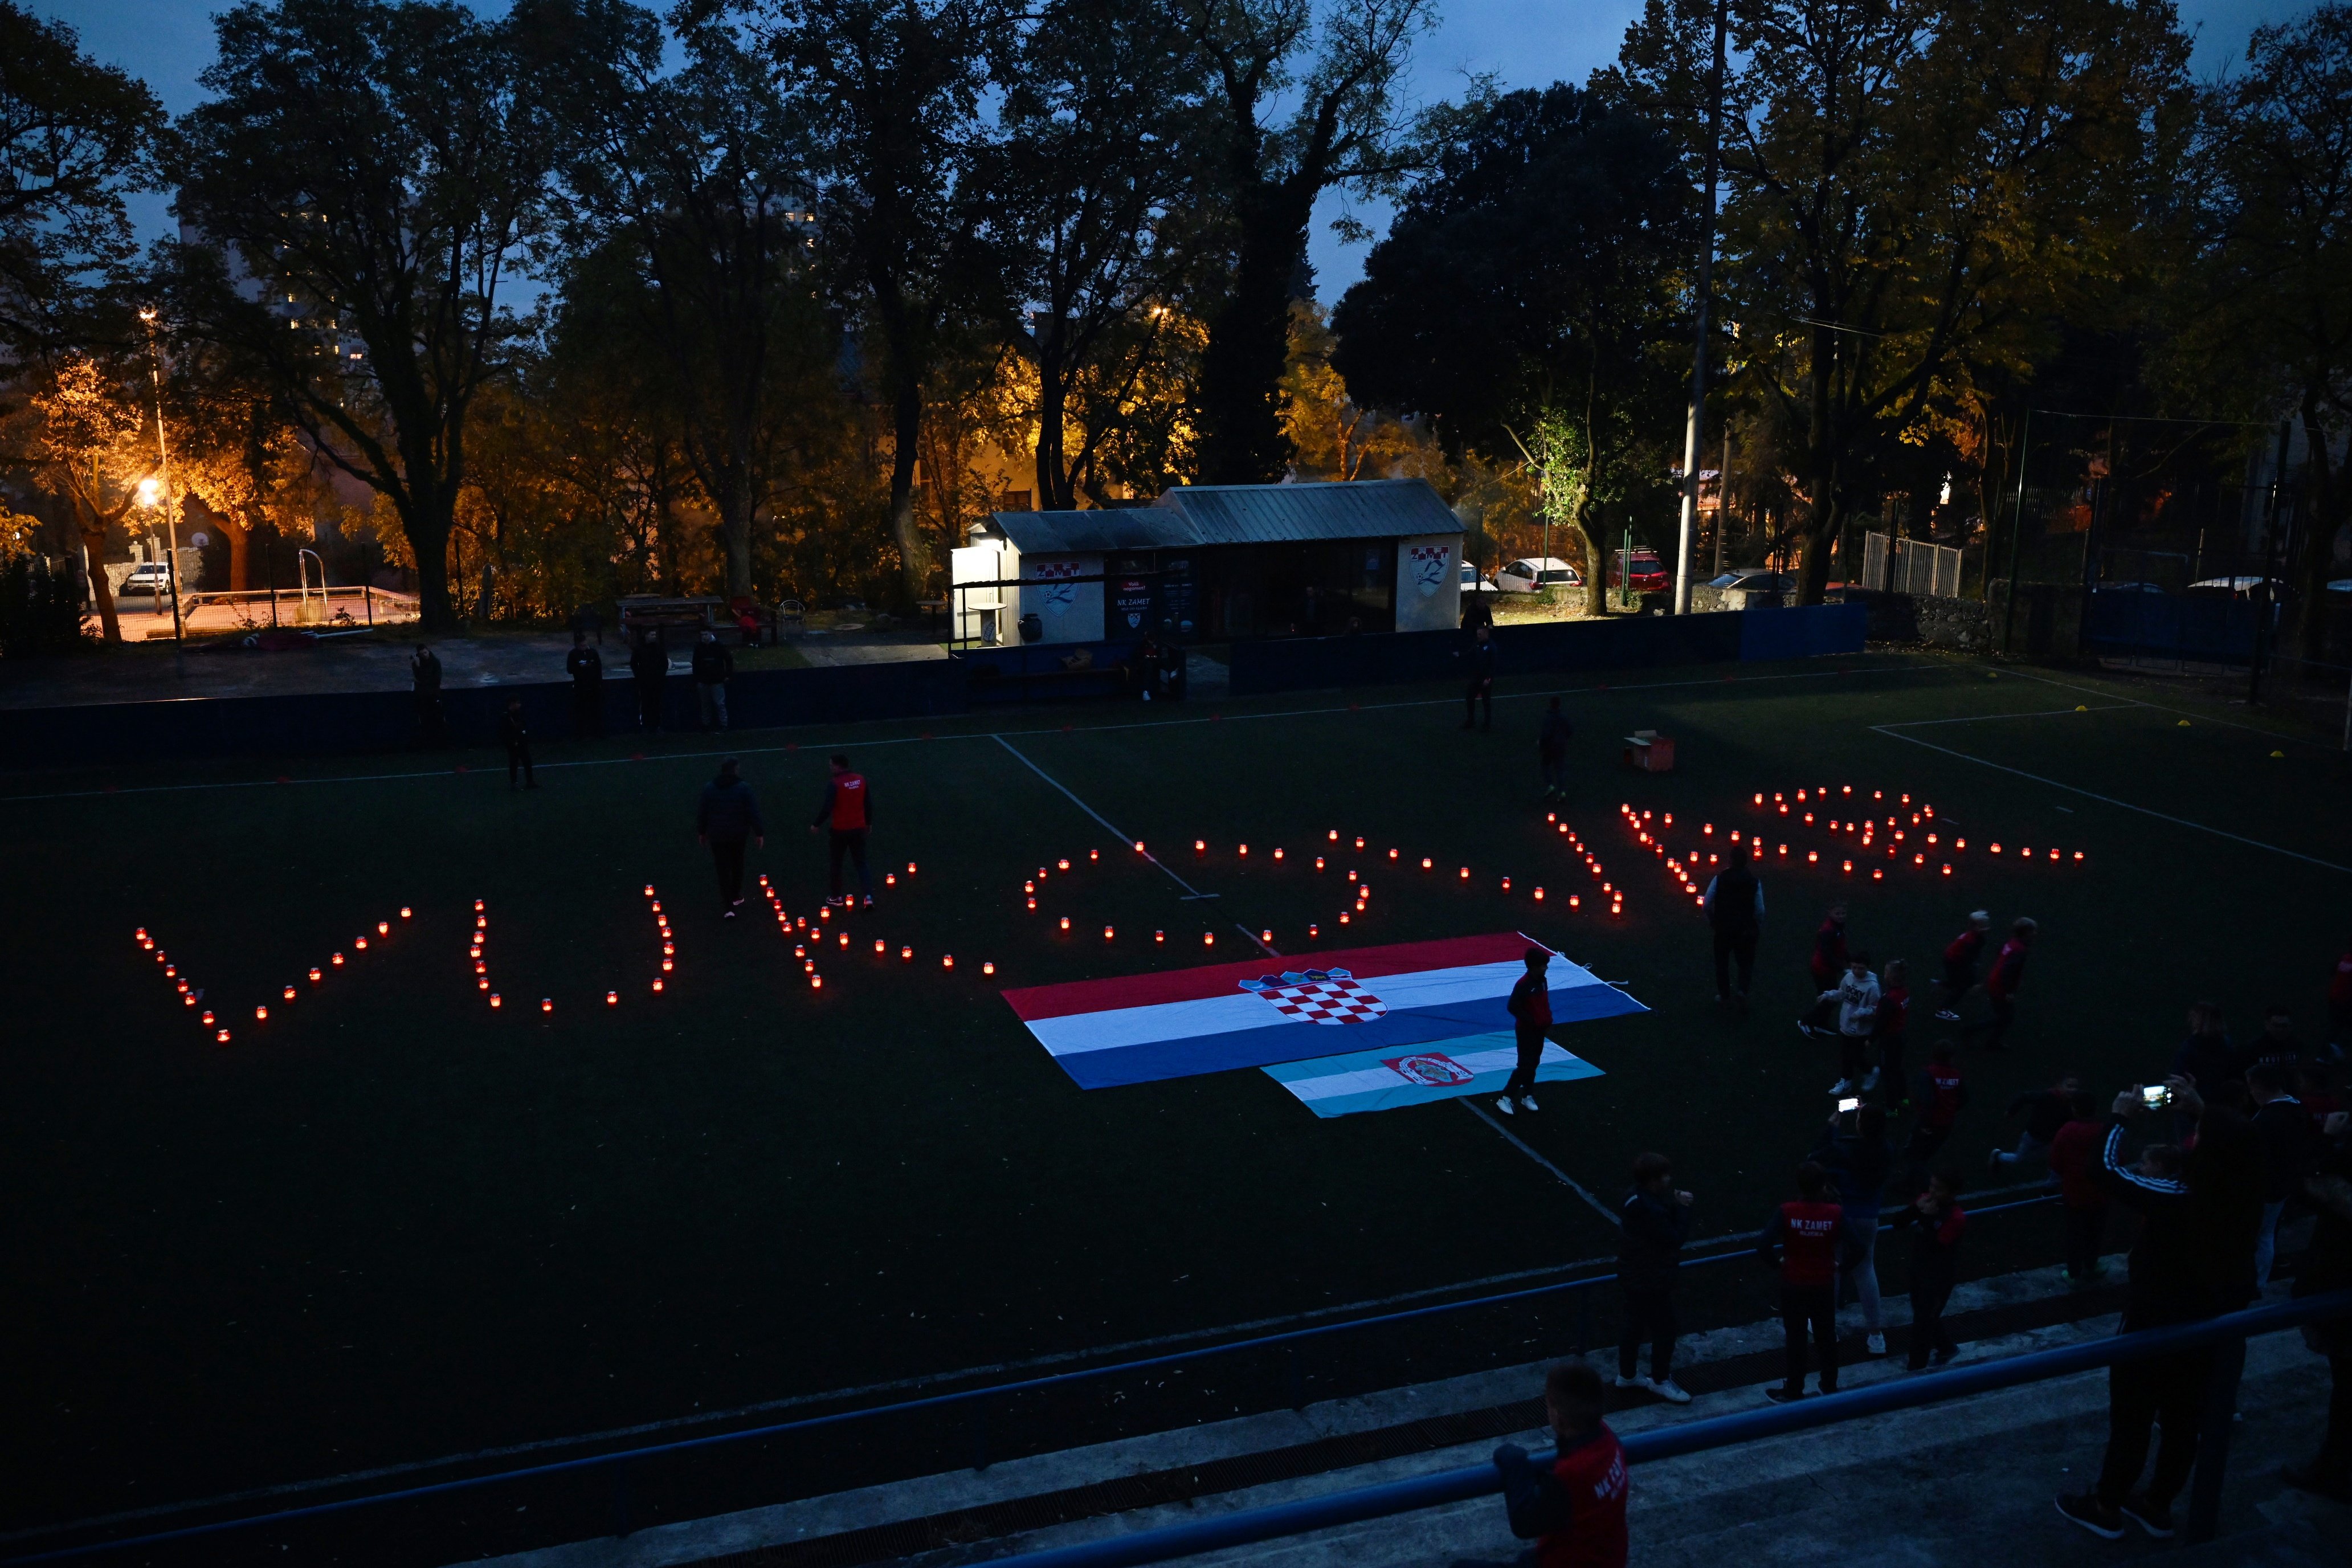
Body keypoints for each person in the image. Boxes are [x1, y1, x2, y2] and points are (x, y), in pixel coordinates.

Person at [2055, 1076, 2264, 1540]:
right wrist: (2199, 1109)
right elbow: (2240, 1148)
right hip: (2205, 1325)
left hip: (2155, 1322)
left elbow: (2105, 1172)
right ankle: (2157, 1504)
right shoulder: (2244, 1195)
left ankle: (2107, 1505)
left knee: (2132, 1416)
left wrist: (2119, 1118)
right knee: (2182, 1420)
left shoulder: (2180, 1199)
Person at [1486, 1363, 1629, 1568]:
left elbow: (1524, 1524)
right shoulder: (1609, 1441)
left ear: (1558, 1417)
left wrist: (1514, 1462)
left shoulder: (1570, 1474)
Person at [2285, 1109, 2352, 1502]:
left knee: (2346, 1389)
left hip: (2340, 1290)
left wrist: (2327, 1140)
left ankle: (2334, 1469)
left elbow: (2305, 1184)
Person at [1759, 1162, 1844, 1402]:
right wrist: (1841, 1267)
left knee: (1796, 1339)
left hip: (1794, 1284)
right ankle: (1830, 1386)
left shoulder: (1788, 1210)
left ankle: (1794, 1390)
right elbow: (1857, 1247)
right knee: (1826, 1336)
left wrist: (1779, 1265)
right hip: (1823, 1284)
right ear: (1824, 1185)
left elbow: (1763, 1245)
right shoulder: (1834, 1213)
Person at [1816, 1103, 1894, 1356]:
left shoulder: (1845, 1148)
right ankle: (1875, 1335)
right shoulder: (1886, 1150)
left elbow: (1818, 1158)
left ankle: (1828, 1330)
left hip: (1841, 1216)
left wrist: (1832, 1128)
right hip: (1868, 1217)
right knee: (1866, 1270)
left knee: (1834, 1268)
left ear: (1860, 1125)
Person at [1615, 1153, 1693, 1403]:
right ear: (1654, 1180)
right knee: (1665, 1330)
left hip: (1632, 1274)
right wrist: (1682, 1208)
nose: (1669, 1178)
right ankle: (1660, 1380)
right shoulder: (1650, 1208)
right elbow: (1674, 1238)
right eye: (1665, 1175)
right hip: (1651, 1279)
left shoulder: (1633, 1197)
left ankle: (1627, 1375)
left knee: (1633, 1325)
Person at [2249, 1062, 2318, 1288]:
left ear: (2259, 1086)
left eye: (2251, 1087)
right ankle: (2260, 1282)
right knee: (2267, 1235)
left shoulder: (2266, 1120)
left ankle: (2254, 1284)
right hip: (2283, 1185)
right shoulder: (2296, 1108)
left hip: (2264, 1190)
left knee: (2257, 1236)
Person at [1894, 1171, 1967, 1370]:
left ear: (1953, 1193)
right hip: (1919, 1269)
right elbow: (1897, 1223)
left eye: (1939, 1189)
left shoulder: (1955, 1217)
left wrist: (1925, 1217)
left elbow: (1936, 1246)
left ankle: (1916, 1369)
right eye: (1932, 1186)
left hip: (1939, 1278)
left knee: (1922, 1324)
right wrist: (1916, 1210)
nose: (1932, 1192)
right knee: (1924, 1315)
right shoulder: (1924, 1202)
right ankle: (1947, 1348)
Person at [2048, 1091, 2110, 1286]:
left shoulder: (2066, 1131)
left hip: (2074, 1194)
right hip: (2100, 1193)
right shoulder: (2105, 1130)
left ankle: (2074, 1274)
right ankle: (2092, 1266)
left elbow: (2056, 1163)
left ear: (2075, 1110)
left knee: (2075, 1235)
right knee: (2095, 1232)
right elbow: (2117, 1158)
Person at [695, 758, 765, 914]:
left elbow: (703, 812)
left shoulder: (709, 788)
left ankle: (728, 906)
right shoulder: (744, 788)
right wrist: (759, 832)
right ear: (735, 770)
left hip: (717, 835)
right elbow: (753, 811)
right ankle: (735, 895)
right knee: (737, 863)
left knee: (722, 868)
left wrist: (702, 831)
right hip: (738, 834)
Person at [809, 753, 873, 909]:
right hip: (858, 829)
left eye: (831, 765)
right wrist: (868, 823)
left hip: (840, 831)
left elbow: (827, 807)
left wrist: (816, 824)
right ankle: (869, 898)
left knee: (837, 863)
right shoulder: (861, 780)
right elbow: (868, 804)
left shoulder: (835, 784)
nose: (830, 768)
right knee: (861, 864)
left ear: (838, 766)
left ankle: (837, 897)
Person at [1703, 844, 1763, 1012]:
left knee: (1722, 963)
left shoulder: (1720, 879)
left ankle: (1724, 996)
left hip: (1723, 929)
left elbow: (1707, 903)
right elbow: (1760, 910)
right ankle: (1742, 991)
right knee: (1745, 963)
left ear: (1729, 861)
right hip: (1745, 930)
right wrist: (1755, 925)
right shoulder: (1754, 882)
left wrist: (1712, 921)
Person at [1991, 1071, 2082, 1177]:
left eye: (2075, 1087)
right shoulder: (2048, 1096)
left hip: (2049, 1139)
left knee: (2051, 1156)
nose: (2073, 1090)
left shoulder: (2073, 1103)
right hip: (2033, 1136)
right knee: (2018, 1159)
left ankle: (2053, 1176)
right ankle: (1998, 1156)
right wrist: (2011, 1111)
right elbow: (2024, 1097)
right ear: (2059, 1086)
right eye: (2069, 1086)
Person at [1962, 916, 2034, 1051]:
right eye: (2032, 931)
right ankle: (1974, 1032)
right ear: (2025, 932)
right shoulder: (2020, 950)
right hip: (2000, 988)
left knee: (2004, 1016)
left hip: (1995, 984)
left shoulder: (2012, 944)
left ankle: (1989, 1039)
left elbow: (1999, 965)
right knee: (2006, 1017)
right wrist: (2008, 992)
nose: (2035, 934)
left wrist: (1984, 984)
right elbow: (2006, 972)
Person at [1498, 946, 1552, 1116]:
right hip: (1527, 1031)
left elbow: (1543, 1003)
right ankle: (1505, 1098)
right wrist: (1532, 1021)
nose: (1546, 968)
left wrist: (1544, 1020)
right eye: (1543, 965)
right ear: (1533, 966)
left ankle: (1527, 1095)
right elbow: (1512, 1006)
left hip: (1539, 1029)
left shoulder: (1543, 980)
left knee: (1534, 1063)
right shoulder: (1523, 985)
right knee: (1525, 1066)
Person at [1821, 952, 1881, 1096]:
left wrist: (1861, 1013)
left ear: (1868, 967)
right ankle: (1846, 1082)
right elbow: (1842, 993)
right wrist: (1828, 995)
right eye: (1854, 967)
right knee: (1846, 1055)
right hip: (1846, 1025)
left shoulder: (1873, 987)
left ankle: (1871, 1071)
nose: (1856, 971)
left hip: (1862, 1030)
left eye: (1860, 968)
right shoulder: (1848, 977)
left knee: (1855, 1056)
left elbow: (1876, 1009)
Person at [1907, 1043, 1967, 1163]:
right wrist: (1949, 1110)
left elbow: (1926, 1101)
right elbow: (1964, 1099)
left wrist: (1925, 1124)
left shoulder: (1928, 1074)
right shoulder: (1957, 1076)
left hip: (1928, 1122)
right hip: (1946, 1124)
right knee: (1928, 1154)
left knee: (1914, 1152)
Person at [1799, 904, 1849, 1038]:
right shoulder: (1829, 930)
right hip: (1822, 970)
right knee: (1830, 999)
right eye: (1838, 913)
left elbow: (1840, 948)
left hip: (1827, 969)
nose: (1841, 916)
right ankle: (1806, 1022)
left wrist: (1851, 959)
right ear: (1830, 912)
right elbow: (1826, 953)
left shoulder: (1837, 927)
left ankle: (1820, 1023)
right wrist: (1842, 968)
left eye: (1843, 913)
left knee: (1827, 997)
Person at [1933, 910, 1991, 1022]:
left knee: (1960, 982)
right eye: (1982, 925)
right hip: (1954, 961)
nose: (1985, 927)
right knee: (1962, 987)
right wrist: (1974, 979)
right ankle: (1942, 1010)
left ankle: (1940, 985)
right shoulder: (1972, 941)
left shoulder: (1975, 937)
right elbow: (1966, 961)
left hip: (1954, 960)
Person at [1874, 958, 1912, 1104]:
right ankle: (1905, 1100)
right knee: (1898, 1069)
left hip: (1889, 1040)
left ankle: (1892, 1109)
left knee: (1887, 1074)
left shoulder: (1888, 999)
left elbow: (1881, 1023)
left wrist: (1869, 1040)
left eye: (1885, 972)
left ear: (1890, 977)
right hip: (1900, 1036)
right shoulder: (1904, 992)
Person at [692, 628, 733, 732]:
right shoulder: (699, 647)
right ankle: (709, 725)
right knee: (707, 704)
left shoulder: (718, 646)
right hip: (705, 680)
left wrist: (727, 675)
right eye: (702, 635)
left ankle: (722, 724)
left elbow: (729, 659)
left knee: (718, 704)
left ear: (711, 634)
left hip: (716, 680)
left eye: (706, 634)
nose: (704, 637)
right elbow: (695, 664)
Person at [566, 630, 604, 738]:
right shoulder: (573, 654)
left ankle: (597, 733)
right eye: (582, 646)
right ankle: (581, 734)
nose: (584, 647)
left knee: (596, 710)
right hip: (580, 686)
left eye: (586, 645)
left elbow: (599, 668)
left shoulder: (593, 653)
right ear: (577, 645)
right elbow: (569, 669)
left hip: (593, 686)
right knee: (581, 711)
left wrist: (599, 682)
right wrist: (579, 668)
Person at [2246, 1006, 2303, 1075]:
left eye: (2284, 1026)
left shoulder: (2297, 1046)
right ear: (2267, 1025)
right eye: (2276, 1026)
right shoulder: (2255, 1047)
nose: (2281, 1030)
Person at [630, 630, 668, 732]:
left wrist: (661, 675)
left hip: (657, 680)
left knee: (656, 702)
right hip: (645, 681)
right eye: (652, 635)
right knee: (646, 703)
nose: (654, 636)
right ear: (646, 636)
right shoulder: (639, 649)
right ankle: (647, 724)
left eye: (655, 634)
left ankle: (656, 724)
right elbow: (633, 663)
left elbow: (665, 663)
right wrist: (639, 676)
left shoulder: (659, 648)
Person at [1461, 622, 1496, 731]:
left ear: (1486, 634)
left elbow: (1493, 664)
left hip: (1485, 678)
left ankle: (1487, 724)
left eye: (1480, 634)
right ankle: (1471, 721)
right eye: (1478, 634)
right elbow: (1469, 654)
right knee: (1470, 697)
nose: (1478, 636)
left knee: (1486, 701)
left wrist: (1488, 679)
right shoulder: (1477, 644)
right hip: (1476, 677)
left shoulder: (1491, 647)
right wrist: (1460, 655)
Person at [410, 643, 444, 746]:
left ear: (428, 651)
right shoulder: (416, 664)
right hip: (423, 695)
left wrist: (424, 678)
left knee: (438, 716)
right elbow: (419, 678)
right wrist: (418, 666)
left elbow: (436, 679)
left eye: (425, 652)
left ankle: (441, 740)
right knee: (425, 718)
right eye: (422, 654)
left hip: (434, 693)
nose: (425, 655)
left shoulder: (435, 662)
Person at [497, 696, 534, 790]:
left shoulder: (520, 715)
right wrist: (511, 742)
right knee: (514, 763)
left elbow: (524, 727)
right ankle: (514, 783)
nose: (519, 705)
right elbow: (503, 732)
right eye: (517, 703)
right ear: (512, 704)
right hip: (513, 744)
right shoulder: (506, 716)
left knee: (527, 762)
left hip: (522, 743)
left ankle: (530, 782)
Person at [1538, 697, 1573, 799]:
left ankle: (1550, 785)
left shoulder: (1548, 718)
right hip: (1561, 746)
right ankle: (1562, 792)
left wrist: (1541, 743)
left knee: (1545, 766)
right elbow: (1570, 731)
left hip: (1550, 747)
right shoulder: (1564, 717)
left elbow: (1546, 734)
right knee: (1560, 769)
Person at [2330, 937, 2352, 1058]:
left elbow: (2332, 972)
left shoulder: (2343, 958)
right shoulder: (2344, 959)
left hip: (2335, 1000)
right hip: (2343, 1001)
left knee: (2336, 1027)